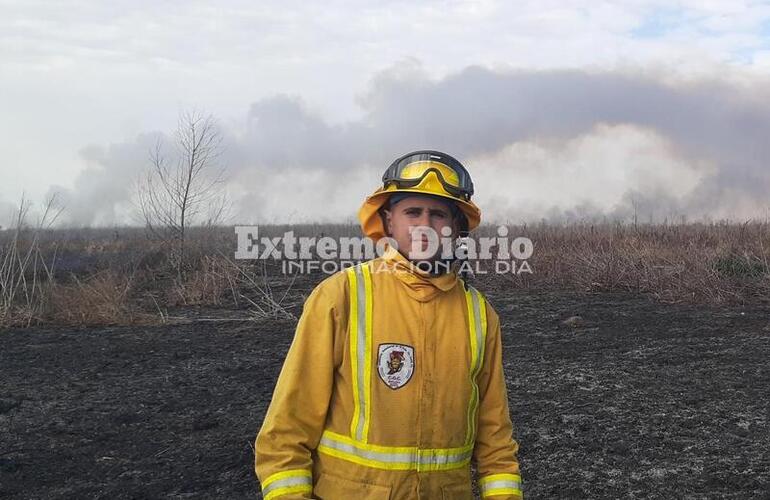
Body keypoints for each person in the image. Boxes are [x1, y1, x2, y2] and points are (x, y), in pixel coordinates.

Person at [255, 150, 523, 499]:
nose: (425, 224)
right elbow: (286, 432)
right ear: (389, 221)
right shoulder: (341, 297)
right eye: (412, 212)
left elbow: (496, 441)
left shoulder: (479, 314)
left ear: (456, 228)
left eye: (438, 214)